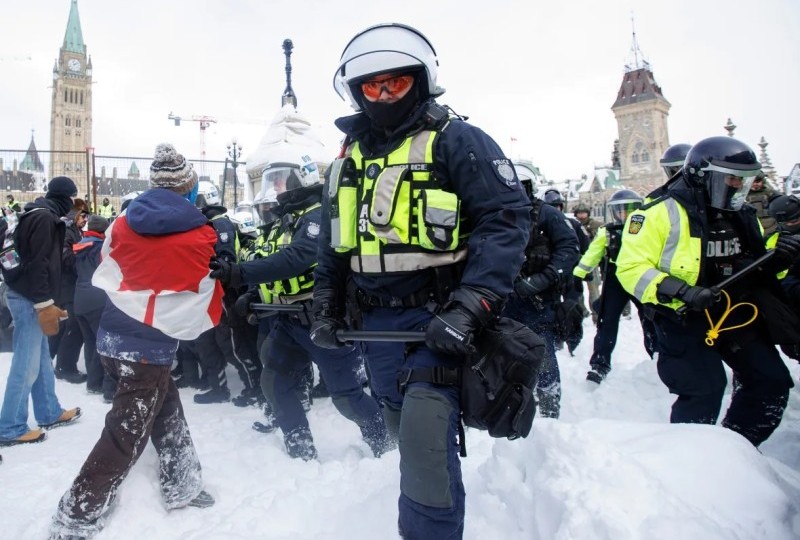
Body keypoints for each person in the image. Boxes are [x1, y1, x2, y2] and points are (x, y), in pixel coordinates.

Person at [310, 23, 531, 538]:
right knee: (397, 422)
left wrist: (471, 305)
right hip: (377, 327)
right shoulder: (349, 160)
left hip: (440, 319)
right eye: (372, 86)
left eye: (396, 83)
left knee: (425, 441)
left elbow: (505, 220)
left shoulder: (458, 139)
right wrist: (325, 307)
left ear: (421, 80)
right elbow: (334, 245)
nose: (384, 95)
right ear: (358, 92)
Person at [50, 144, 222, 539]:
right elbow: (202, 286)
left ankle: (183, 482)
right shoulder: (198, 230)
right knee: (125, 433)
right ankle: (77, 512)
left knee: (165, 407)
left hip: (113, 334)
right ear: (189, 186)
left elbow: (106, 266)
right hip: (147, 347)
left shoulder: (124, 221)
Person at [615, 136, 798, 446]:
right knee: (704, 390)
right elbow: (630, 268)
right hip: (682, 317)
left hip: (734, 313)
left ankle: (735, 448)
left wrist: (776, 258)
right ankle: (688, 461)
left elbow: (752, 265)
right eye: (732, 178)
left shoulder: (740, 215)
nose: (738, 186)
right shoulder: (657, 213)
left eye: (744, 180)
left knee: (771, 381)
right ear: (705, 175)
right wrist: (681, 291)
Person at [211, 152, 388, 459]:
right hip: (287, 320)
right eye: (273, 180)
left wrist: (241, 273)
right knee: (275, 383)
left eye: (281, 179)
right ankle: (300, 447)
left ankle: (383, 442)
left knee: (347, 396)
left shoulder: (318, 215)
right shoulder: (285, 219)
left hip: (323, 319)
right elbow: (272, 263)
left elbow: (297, 259)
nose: (276, 187)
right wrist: (255, 296)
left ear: (301, 179)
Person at [0, 176, 82, 447]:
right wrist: (44, 302)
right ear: (65, 198)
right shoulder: (45, 220)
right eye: (72, 199)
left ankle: (49, 411)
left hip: (25, 293)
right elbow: (38, 264)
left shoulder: (36, 213)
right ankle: (10, 426)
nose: (73, 205)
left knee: (42, 357)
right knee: (26, 363)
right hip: (28, 298)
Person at [505, 186, 579, 416]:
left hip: (538, 299)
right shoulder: (493, 209)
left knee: (543, 352)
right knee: (502, 355)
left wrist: (543, 279)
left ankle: (549, 406)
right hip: (502, 297)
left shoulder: (547, 214)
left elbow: (569, 249)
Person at [573, 189, 655, 384]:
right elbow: (593, 252)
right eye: (620, 211)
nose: (624, 215)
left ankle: (658, 356)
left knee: (651, 319)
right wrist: (578, 273)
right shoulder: (607, 231)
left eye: (629, 210)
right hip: (616, 279)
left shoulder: (647, 227)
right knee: (606, 321)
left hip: (642, 278)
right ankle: (600, 364)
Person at [72, 215, 112, 398]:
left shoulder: (78, 247)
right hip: (97, 298)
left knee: (89, 341)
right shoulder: (99, 248)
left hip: (79, 299)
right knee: (101, 342)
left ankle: (92, 380)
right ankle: (97, 382)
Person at [52, 201, 89, 384]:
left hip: (69, 285)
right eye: (83, 216)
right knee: (74, 326)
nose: (85, 220)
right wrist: (81, 256)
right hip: (67, 285)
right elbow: (64, 255)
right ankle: (65, 367)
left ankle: (59, 363)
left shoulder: (73, 229)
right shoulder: (67, 230)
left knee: (67, 325)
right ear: (76, 214)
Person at [573, 201, 603, 322]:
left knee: (593, 288)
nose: (581, 215)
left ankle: (596, 314)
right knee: (577, 289)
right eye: (579, 213)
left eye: (584, 213)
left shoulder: (595, 225)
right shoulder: (573, 224)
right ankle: (582, 311)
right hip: (577, 260)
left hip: (591, 260)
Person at [745, 172, 778, 236]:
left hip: (770, 224)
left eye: (758, 181)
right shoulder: (743, 194)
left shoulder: (769, 192)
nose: (755, 184)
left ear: (763, 181)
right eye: (752, 182)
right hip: (751, 224)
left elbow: (779, 203)